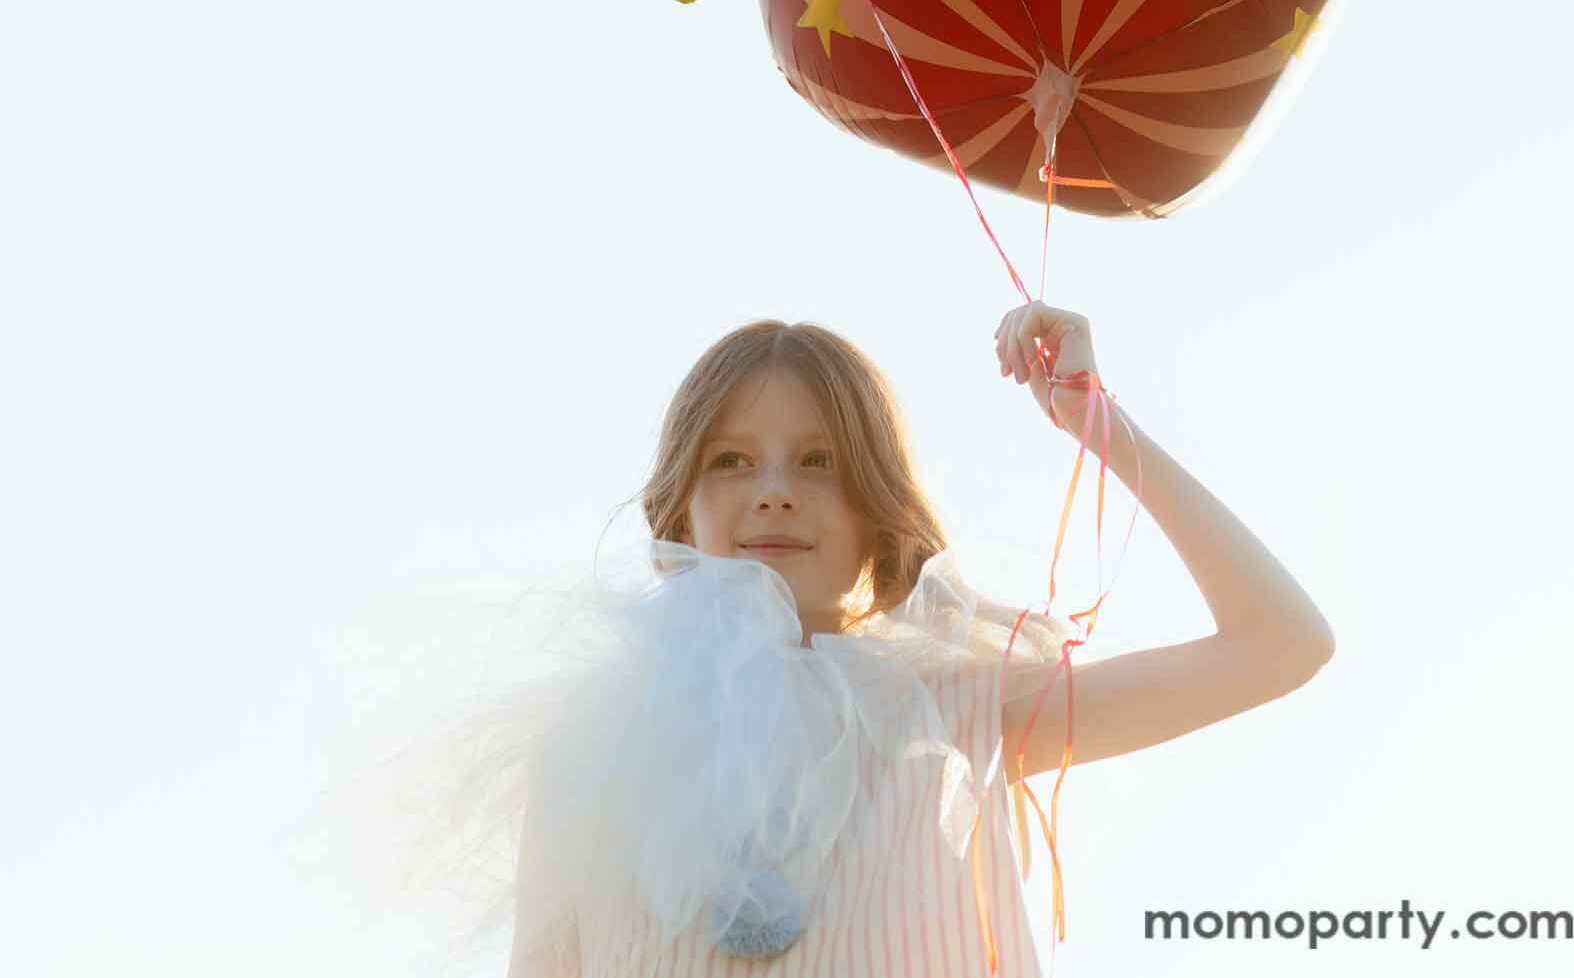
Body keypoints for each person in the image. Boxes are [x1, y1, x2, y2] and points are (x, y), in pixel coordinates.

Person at [502, 301, 1335, 977]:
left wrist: (1096, 419)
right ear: (676, 509)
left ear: (878, 510)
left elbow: (1279, 644)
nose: (775, 492)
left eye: (820, 461)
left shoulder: (951, 714)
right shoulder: (592, 749)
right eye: (730, 460)